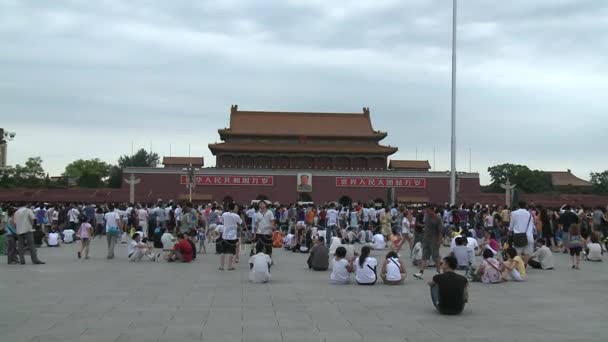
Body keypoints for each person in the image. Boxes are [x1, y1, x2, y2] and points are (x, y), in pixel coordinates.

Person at [414, 207, 442, 279]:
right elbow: (425, 228)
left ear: (433, 210)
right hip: (426, 240)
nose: (427, 212)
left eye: (428, 211)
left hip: (434, 240)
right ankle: (421, 272)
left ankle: (438, 272)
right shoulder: (426, 217)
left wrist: (439, 240)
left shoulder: (438, 219)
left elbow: (440, 231)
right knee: (424, 256)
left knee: (436, 257)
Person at [218, 202, 242, 270]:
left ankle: (221, 266)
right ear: (234, 208)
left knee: (223, 251)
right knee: (232, 251)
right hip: (232, 236)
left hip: (225, 235)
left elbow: (221, 220)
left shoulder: (224, 214)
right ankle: (229, 266)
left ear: (228, 208)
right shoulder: (236, 216)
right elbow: (240, 222)